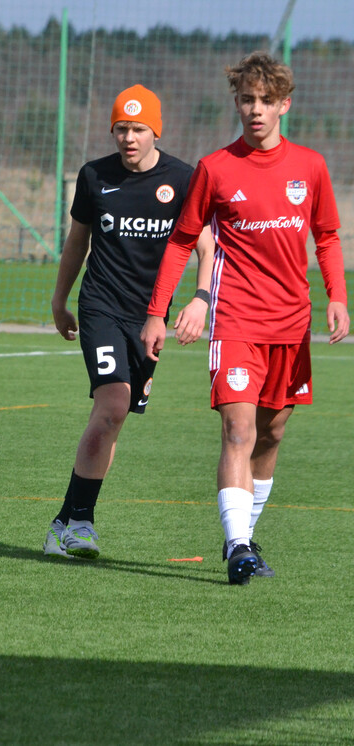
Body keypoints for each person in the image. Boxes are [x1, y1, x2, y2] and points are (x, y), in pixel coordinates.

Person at [141, 52, 349, 585]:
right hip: (235, 322)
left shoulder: (310, 167)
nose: (255, 110)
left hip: (292, 325)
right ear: (237, 102)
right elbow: (183, 240)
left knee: (271, 432)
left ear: (285, 104)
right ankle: (235, 546)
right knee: (238, 429)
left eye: (265, 101)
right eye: (246, 100)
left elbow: (326, 236)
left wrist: (337, 297)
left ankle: (248, 538)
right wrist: (158, 311)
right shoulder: (216, 168)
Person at [44, 85, 215, 559]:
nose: (129, 137)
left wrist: (201, 298)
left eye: (138, 129)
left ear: (155, 130)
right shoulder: (94, 176)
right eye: (121, 128)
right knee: (113, 403)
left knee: (114, 419)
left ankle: (65, 522)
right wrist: (60, 299)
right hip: (100, 306)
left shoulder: (183, 178)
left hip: (150, 320)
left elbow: (206, 247)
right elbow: (77, 243)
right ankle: (80, 523)